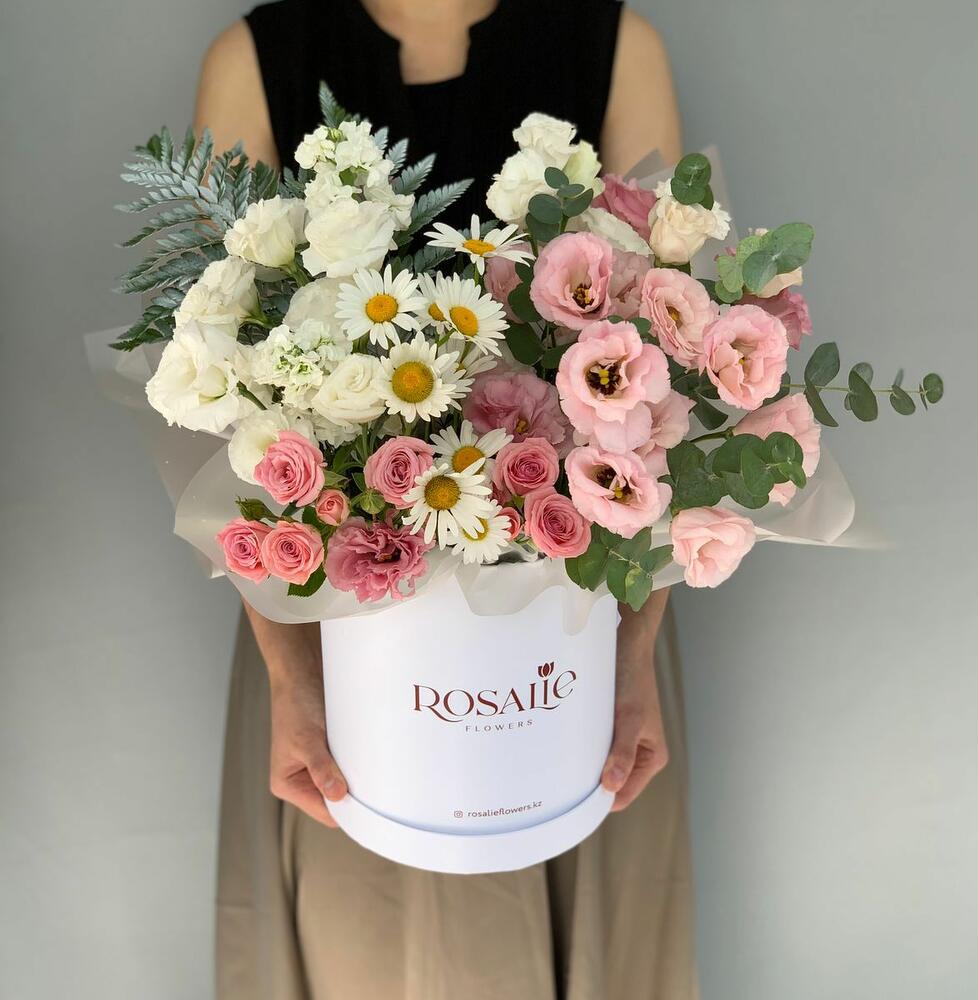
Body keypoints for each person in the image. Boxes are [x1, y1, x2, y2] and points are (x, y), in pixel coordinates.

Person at [196, 2, 697, 997]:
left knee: (597, 924)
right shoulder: (257, 61)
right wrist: (292, 677)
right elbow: (223, 399)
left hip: (584, 625)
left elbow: (672, 358)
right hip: (339, 634)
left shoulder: (614, 46)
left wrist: (633, 654)